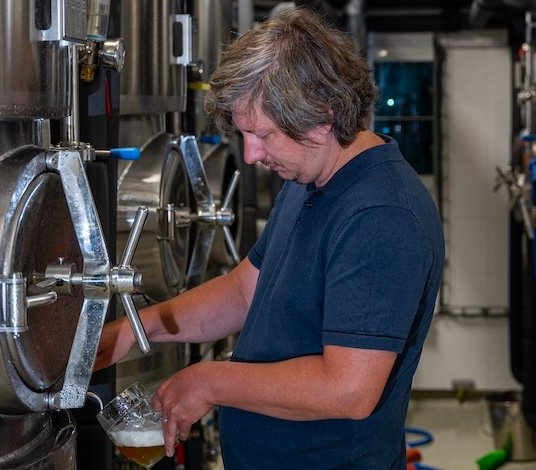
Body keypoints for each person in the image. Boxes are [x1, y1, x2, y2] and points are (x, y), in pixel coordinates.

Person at [95, 6, 444, 469]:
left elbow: (349, 388)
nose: (251, 154)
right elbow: (246, 289)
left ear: (324, 114)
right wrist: (138, 328)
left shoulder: (380, 214)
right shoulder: (308, 180)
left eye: (263, 134)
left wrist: (210, 381)